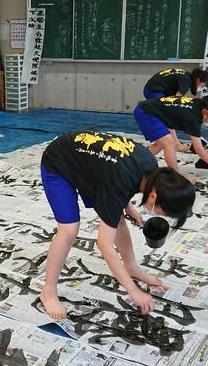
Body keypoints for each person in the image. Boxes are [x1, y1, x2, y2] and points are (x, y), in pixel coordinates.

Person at [39, 131, 196, 319]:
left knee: (117, 217)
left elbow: (121, 185)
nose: (161, 215)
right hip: (59, 162)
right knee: (69, 229)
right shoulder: (122, 178)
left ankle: (131, 267)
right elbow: (105, 245)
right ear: (153, 196)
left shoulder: (152, 169)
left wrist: (128, 206)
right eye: (165, 212)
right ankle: (48, 292)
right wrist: (133, 291)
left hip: (92, 167)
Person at [134, 96, 208, 175]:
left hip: (149, 109)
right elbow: (199, 150)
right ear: (207, 113)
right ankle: (176, 176)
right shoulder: (193, 117)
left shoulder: (199, 104)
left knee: (161, 143)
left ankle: (137, 163)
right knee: (169, 143)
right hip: (146, 112)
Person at [143, 67, 208, 99]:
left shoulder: (186, 74)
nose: (201, 88)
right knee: (165, 109)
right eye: (202, 86)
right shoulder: (186, 81)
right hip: (153, 91)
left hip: (150, 88)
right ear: (198, 79)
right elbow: (177, 99)